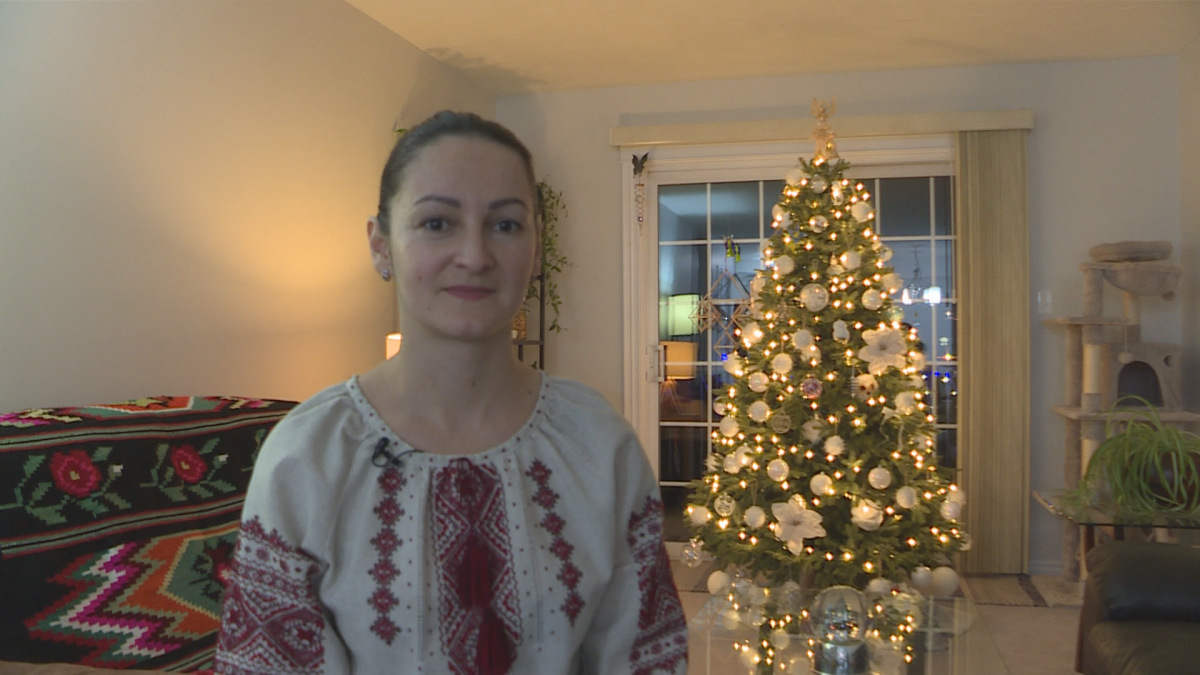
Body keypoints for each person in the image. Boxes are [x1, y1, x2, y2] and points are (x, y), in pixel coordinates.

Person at [213, 111, 688, 675]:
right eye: (437, 223)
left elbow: (645, 657)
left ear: (535, 248)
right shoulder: (309, 454)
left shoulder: (597, 442)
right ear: (381, 244)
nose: (475, 255)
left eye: (506, 225)